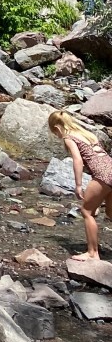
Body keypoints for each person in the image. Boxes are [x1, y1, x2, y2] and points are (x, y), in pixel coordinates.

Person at [48, 110, 112, 260]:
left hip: (102, 174)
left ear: (57, 128)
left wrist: (78, 184)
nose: (57, 135)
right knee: (110, 213)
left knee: (86, 212)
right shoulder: (88, 134)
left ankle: (92, 253)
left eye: (54, 132)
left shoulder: (68, 137)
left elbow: (78, 160)